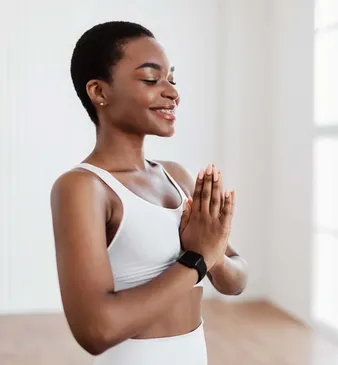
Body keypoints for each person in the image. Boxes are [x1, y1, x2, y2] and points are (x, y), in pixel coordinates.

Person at [50, 21, 248, 365]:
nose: (171, 91)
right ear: (100, 92)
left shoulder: (177, 176)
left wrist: (213, 254)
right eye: (150, 79)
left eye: (172, 78)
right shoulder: (83, 187)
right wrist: (197, 258)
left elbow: (236, 281)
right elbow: (96, 331)